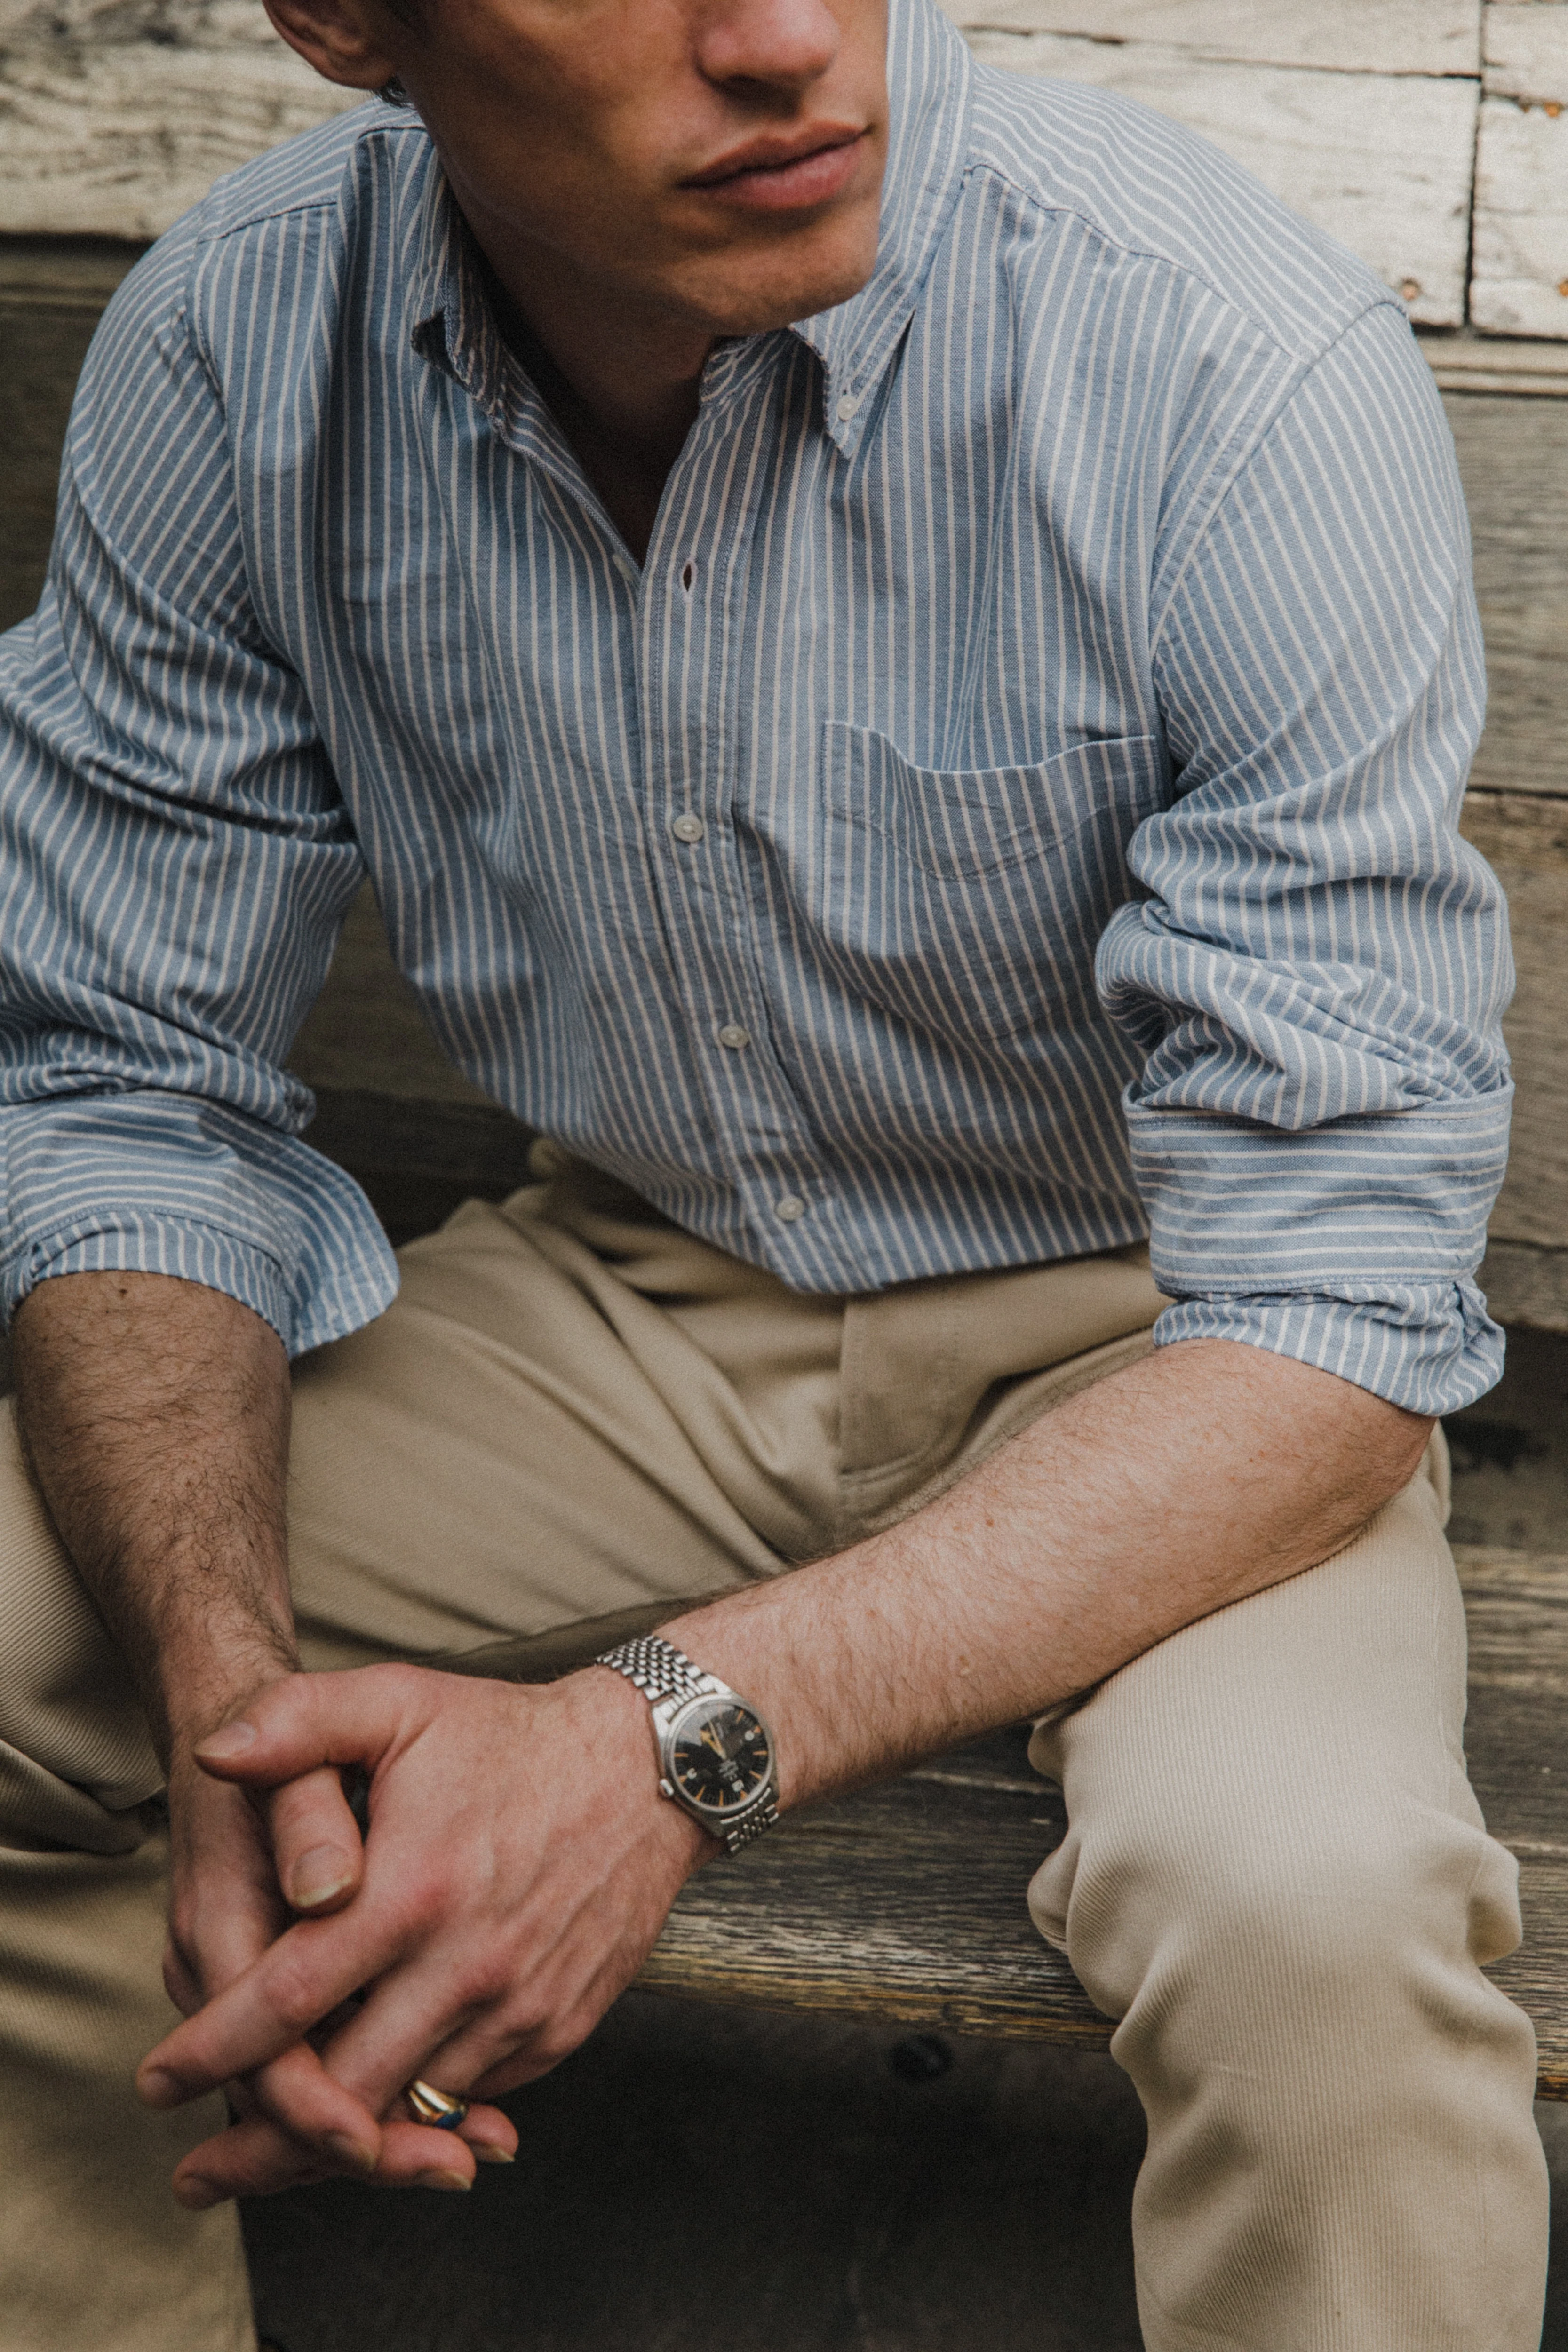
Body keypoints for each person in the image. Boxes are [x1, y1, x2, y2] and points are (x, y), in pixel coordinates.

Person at [0, 0, 1548, 2339]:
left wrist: (656, 1747)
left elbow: (1332, 1301)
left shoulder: (1219, 349)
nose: (794, 41)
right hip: (635, 1290)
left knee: (1306, 1911)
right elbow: (130, 1080)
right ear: (341, 22)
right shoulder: (235, 351)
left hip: (1167, 1342)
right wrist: (229, 1702)